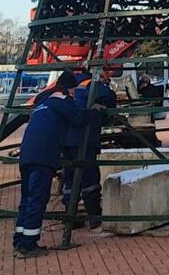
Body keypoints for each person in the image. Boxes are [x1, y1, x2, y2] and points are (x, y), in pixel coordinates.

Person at [14, 70, 102, 259]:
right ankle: (29, 245)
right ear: (69, 88)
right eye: (72, 91)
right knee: (37, 198)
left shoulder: (43, 101)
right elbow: (79, 119)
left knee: (26, 199)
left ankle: (20, 238)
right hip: (43, 156)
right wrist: (94, 111)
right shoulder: (61, 100)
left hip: (27, 154)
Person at [61, 71, 116, 230]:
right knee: (89, 176)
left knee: (70, 177)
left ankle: (70, 216)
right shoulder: (90, 84)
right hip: (85, 137)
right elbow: (109, 96)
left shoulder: (70, 86)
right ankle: (94, 216)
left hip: (66, 139)